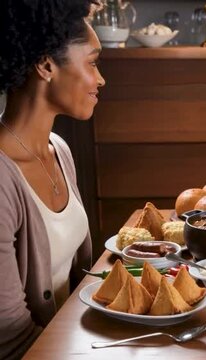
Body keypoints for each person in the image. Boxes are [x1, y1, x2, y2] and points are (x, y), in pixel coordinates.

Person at [0, 1, 104, 358]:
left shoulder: (58, 150)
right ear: (46, 65)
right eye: (92, 62)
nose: (100, 78)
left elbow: (80, 282)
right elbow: (9, 338)